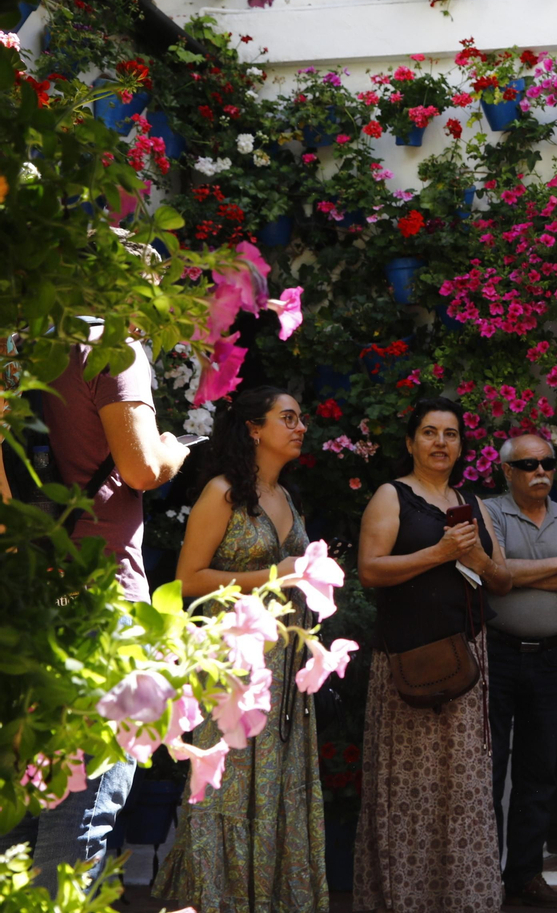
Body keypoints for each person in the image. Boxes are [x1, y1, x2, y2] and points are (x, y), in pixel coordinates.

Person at [0, 321, 189, 894]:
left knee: (21, 795)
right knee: (85, 795)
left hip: (24, 589)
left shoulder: (14, 347)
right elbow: (139, 468)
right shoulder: (113, 348)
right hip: (99, 590)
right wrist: (174, 454)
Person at [153, 387, 327, 913]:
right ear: (254, 428)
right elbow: (187, 580)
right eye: (288, 418)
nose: (300, 428)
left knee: (275, 787)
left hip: (285, 669)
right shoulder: (223, 492)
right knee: (227, 789)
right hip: (233, 664)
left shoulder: (285, 497)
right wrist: (278, 574)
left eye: (301, 418)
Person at [353, 397, 512, 913]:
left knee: (463, 791)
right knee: (410, 792)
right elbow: (371, 570)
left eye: (450, 434)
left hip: (468, 662)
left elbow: (503, 581)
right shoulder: (391, 496)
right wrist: (439, 554)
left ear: (461, 444)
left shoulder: (474, 502)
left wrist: (476, 556)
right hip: (410, 660)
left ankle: (463, 900)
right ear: (410, 442)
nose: (441, 443)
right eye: (429, 432)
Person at [482, 433, 557, 910]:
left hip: (550, 657)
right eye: (528, 465)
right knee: (490, 769)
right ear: (507, 472)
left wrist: (523, 570)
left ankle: (525, 874)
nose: (540, 471)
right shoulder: (489, 511)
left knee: (538, 770)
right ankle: (483, 875)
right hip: (498, 653)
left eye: (548, 462)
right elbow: (496, 577)